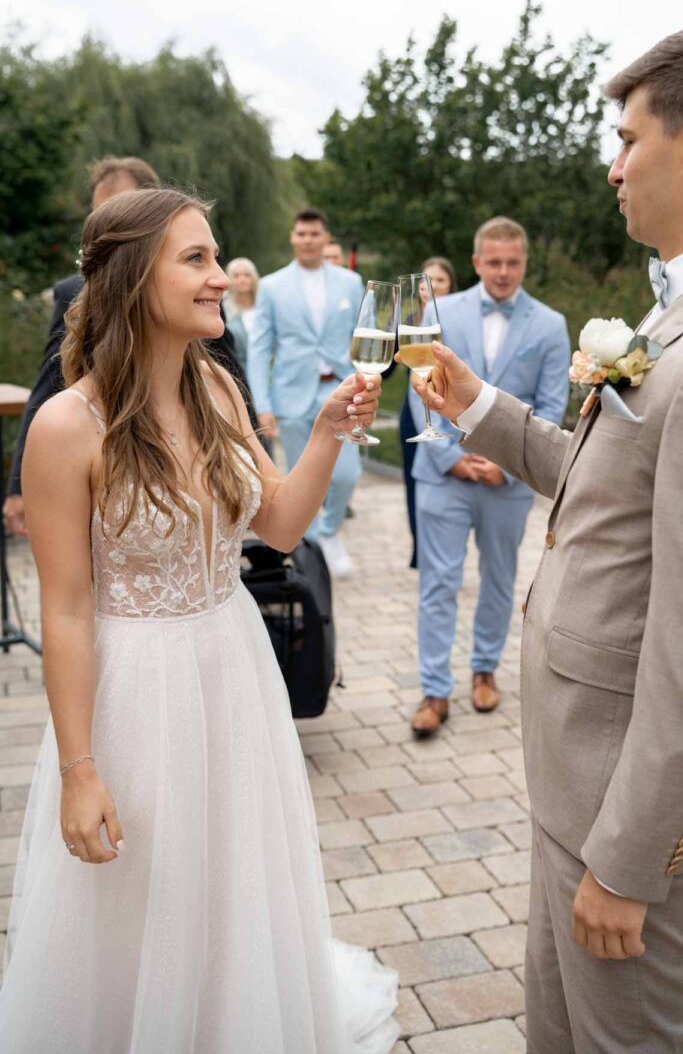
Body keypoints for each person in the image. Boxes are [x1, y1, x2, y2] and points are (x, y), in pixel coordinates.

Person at [409, 19, 683, 1052]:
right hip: (578, 774)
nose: (615, 167)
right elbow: (612, 493)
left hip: (628, 810)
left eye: (628, 139)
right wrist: (482, 407)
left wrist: (628, 857)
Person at [0, 188, 397, 1053]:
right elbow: (64, 610)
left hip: (234, 668)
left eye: (217, 258)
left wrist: (327, 431)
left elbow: (282, 526)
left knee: (233, 883)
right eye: (197, 260)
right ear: (134, 277)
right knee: (149, 895)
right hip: (135, 695)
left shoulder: (216, 389)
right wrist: (77, 770)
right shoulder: (67, 426)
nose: (221, 277)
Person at [409, 223, 570, 735]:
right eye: (493, 262)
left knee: (500, 579)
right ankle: (434, 691)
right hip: (443, 474)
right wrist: (449, 459)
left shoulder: (549, 324)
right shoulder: (442, 312)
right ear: (476, 261)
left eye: (513, 263)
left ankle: (485, 670)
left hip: (510, 481)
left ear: (524, 263)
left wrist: (508, 462)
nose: (503, 272)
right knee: (438, 583)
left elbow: (550, 406)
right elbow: (419, 387)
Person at [3, 156, 160, 538]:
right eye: (101, 215)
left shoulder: (196, 288)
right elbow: (48, 385)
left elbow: (229, 376)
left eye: (123, 209)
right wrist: (19, 485)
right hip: (102, 463)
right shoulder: (74, 294)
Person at [248, 209, 364, 577]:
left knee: (346, 474)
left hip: (341, 390)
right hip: (293, 396)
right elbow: (259, 348)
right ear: (292, 237)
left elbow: (363, 340)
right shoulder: (271, 286)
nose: (308, 240)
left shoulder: (350, 282)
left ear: (325, 237)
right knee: (302, 480)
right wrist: (262, 404)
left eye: (315, 233)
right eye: (302, 233)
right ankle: (312, 550)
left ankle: (329, 532)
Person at [400, 256, 458, 569]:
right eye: (426, 281)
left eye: (439, 280)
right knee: (416, 481)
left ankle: (448, 549)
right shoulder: (408, 321)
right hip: (414, 414)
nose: (431, 287)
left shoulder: (460, 323)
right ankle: (421, 551)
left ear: (451, 286)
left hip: (451, 410)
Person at [223, 256, 259, 376]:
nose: (242, 280)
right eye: (236, 276)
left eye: (246, 275)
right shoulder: (223, 309)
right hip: (238, 372)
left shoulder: (263, 307)